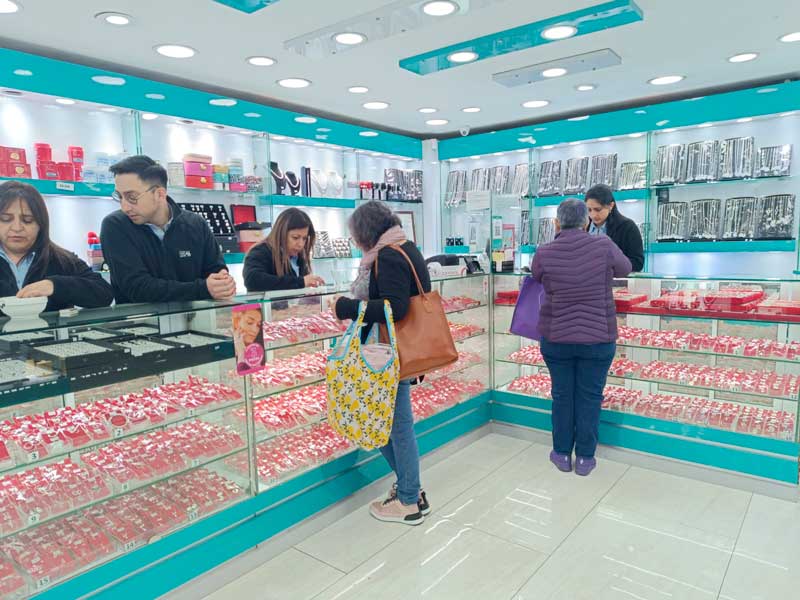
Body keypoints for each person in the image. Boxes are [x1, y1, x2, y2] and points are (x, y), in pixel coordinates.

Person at [334, 201, 430, 525]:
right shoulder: (405, 246)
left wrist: (347, 307)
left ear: (365, 233)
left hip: (390, 354)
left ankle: (408, 500)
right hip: (398, 350)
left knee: (394, 427)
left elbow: (394, 308)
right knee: (388, 425)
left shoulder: (388, 255)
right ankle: (411, 490)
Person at [533, 199, 632, 476]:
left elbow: (536, 276)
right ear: (586, 221)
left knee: (562, 395)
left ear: (557, 223)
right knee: (590, 396)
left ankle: (562, 453)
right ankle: (586, 458)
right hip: (597, 338)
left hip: (556, 338)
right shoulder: (603, 245)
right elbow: (625, 268)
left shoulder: (544, 251)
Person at [101, 155, 236, 304]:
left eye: (132, 197)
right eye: (119, 197)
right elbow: (137, 288)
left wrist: (222, 283)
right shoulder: (115, 226)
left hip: (197, 317)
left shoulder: (196, 224)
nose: (125, 207)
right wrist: (203, 289)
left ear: (159, 194)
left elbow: (216, 271)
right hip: (140, 318)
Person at [0, 181, 114, 312]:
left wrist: (55, 285)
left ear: (41, 224)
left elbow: (104, 294)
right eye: (5, 219)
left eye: (28, 220)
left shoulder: (63, 260)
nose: (17, 228)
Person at [243, 208, 325, 291]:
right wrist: (301, 282)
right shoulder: (260, 252)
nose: (301, 244)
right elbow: (252, 280)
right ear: (281, 233)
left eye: (304, 238)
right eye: (295, 237)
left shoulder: (299, 258)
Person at [584, 184, 644, 272]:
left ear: (611, 206)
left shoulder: (628, 227)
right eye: (589, 210)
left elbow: (638, 263)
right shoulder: (581, 226)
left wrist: (609, 264)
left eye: (598, 209)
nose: (593, 215)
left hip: (614, 279)